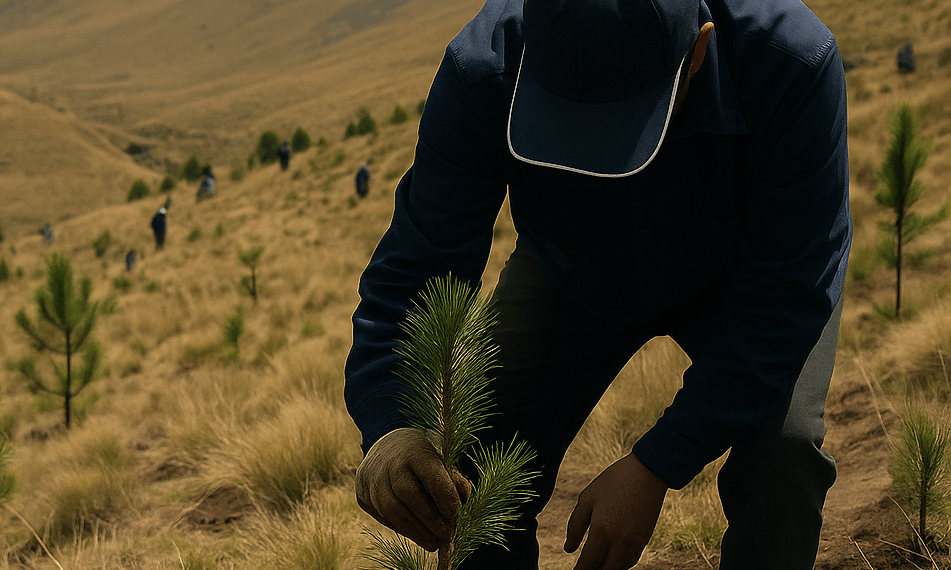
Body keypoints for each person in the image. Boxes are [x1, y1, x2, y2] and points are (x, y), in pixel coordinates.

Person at [344, 0, 852, 569]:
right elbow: (418, 265)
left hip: (744, 282)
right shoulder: (484, 69)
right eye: (564, 125)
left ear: (700, 51)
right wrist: (389, 423)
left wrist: (656, 463)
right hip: (571, 276)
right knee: (475, 461)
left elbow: (788, 294)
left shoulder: (792, 61)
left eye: (627, 127)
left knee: (782, 458)